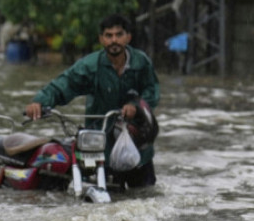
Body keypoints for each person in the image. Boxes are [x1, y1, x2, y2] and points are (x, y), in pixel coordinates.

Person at [25, 13, 160, 187]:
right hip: (102, 141)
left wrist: (135, 107)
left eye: (119, 35)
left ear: (128, 37)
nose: (114, 40)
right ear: (101, 39)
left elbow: (152, 91)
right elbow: (64, 83)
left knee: (145, 194)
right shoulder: (91, 65)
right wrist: (40, 102)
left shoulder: (141, 63)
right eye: (108, 36)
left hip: (137, 143)